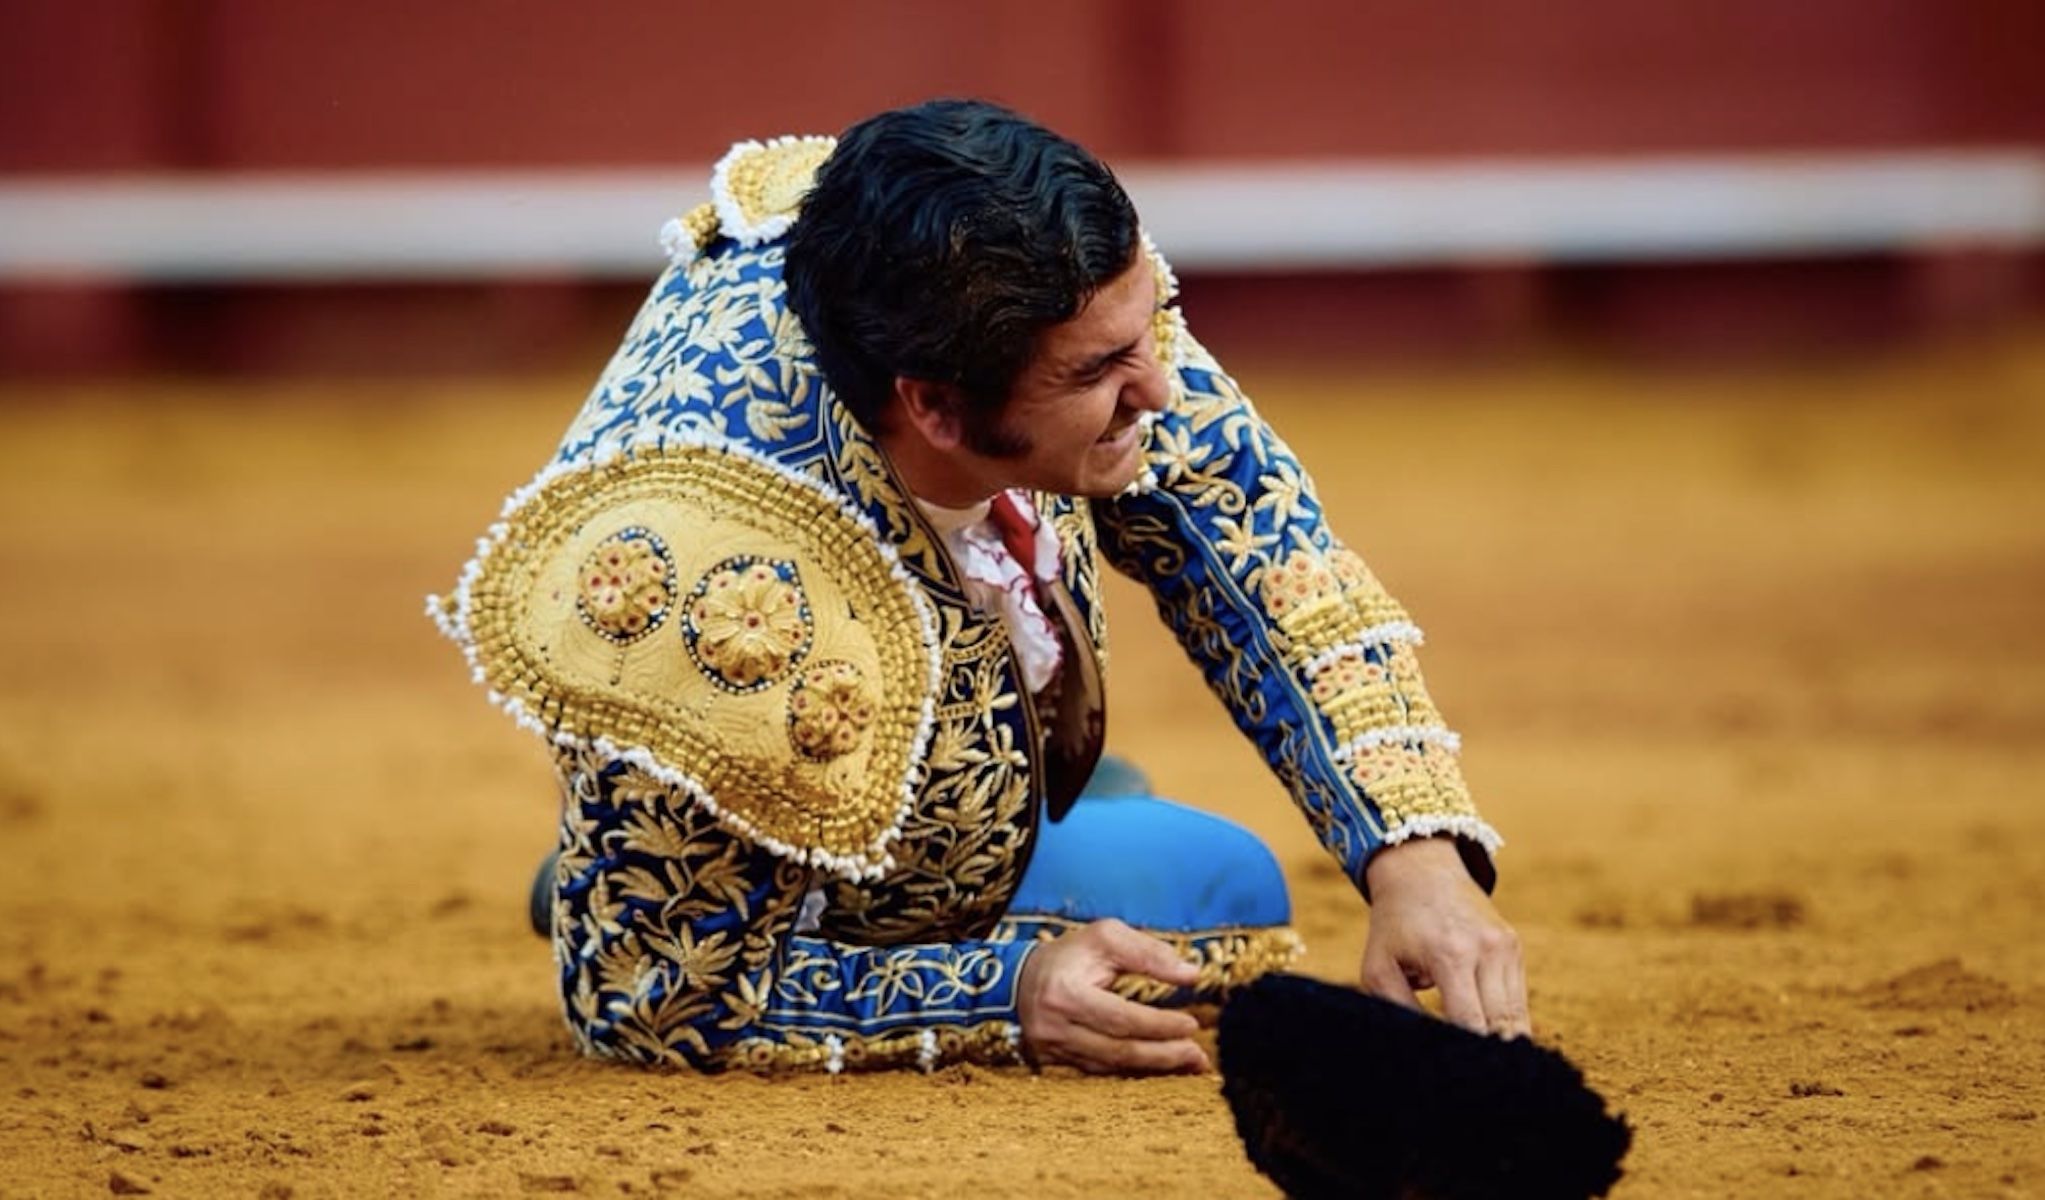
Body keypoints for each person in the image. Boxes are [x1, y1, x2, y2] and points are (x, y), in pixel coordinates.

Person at [431, 99, 1525, 1076]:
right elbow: (655, 1004)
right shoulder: (710, 582)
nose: (1160, 386)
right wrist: (1009, 991)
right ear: (938, 409)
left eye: (1144, 331)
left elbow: (1257, 552)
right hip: (731, 715)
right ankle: (690, 849)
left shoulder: (993, 281)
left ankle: (938, 818)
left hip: (915, 676)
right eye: (1097, 373)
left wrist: (1413, 859)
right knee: (1219, 906)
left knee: (1102, 819)